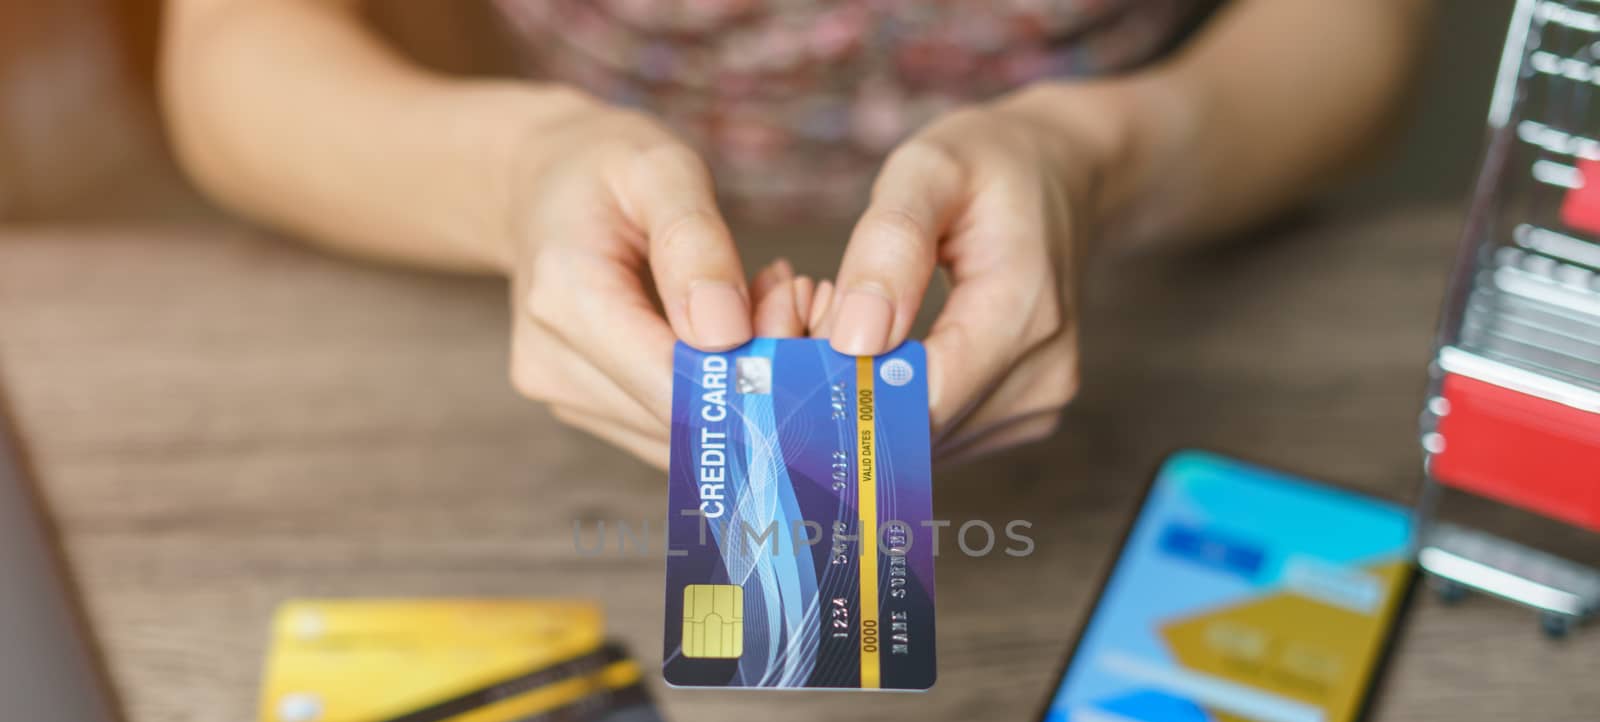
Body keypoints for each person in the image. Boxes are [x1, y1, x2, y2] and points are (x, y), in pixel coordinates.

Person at [161, 0, 1434, 468]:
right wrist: (515, 175)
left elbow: (1360, 33)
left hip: (1175, 241)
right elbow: (228, 53)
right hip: (594, 268)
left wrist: (1097, 161)